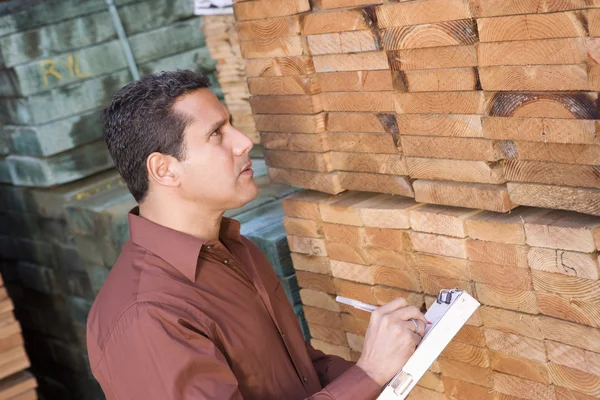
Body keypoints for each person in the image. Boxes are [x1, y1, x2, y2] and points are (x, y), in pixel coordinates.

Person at [86, 69, 427, 400]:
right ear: (165, 170)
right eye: (216, 134)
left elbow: (300, 376)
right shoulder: (146, 316)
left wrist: (392, 362)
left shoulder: (235, 249)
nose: (245, 142)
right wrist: (369, 373)